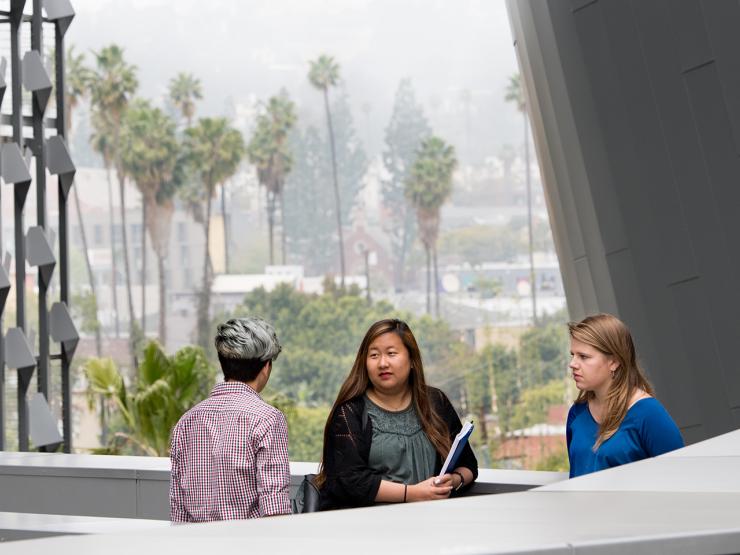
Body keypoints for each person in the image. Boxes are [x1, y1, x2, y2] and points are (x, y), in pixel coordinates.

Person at [317, 318, 477, 510]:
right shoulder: (350, 412)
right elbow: (350, 481)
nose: (383, 363)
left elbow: (469, 465)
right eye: (374, 355)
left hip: (431, 524)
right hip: (368, 529)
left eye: (391, 353)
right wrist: (413, 494)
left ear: (412, 360)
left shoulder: (435, 401)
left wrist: (452, 480)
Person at [169, 317, 291, 522]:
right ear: (266, 367)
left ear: (223, 363)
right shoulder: (268, 419)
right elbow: (275, 509)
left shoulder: (187, 421)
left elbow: (178, 510)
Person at [566, 313, 684, 478]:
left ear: (614, 362)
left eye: (584, 357)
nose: (572, 364)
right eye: (573, 355)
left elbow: (681, 476)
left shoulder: (649, 413)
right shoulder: (577, 413)